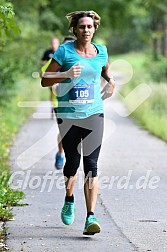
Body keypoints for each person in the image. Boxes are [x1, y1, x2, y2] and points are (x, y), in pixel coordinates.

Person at [41, 11, 115, 235]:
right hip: (69, 115)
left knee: (91, 166)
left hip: (94, 114)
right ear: (75, 29)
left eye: (90, 27)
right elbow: (45, 80)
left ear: (95, 29)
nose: (86, 30)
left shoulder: (101, 51)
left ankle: (90, 217)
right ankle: (69, 199)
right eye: (82, 27)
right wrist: (66, 74)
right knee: (72, 164)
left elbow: (105, 69)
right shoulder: (64, 51)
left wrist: (110, 83)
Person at [40, 36, 75, 170]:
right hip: (59, 102)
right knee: (64, 130)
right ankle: (61, 153)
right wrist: (54, 84)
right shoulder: (56, 60)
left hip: (79, 103)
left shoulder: (80, 60)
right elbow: (43, 75)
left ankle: (73, 157)